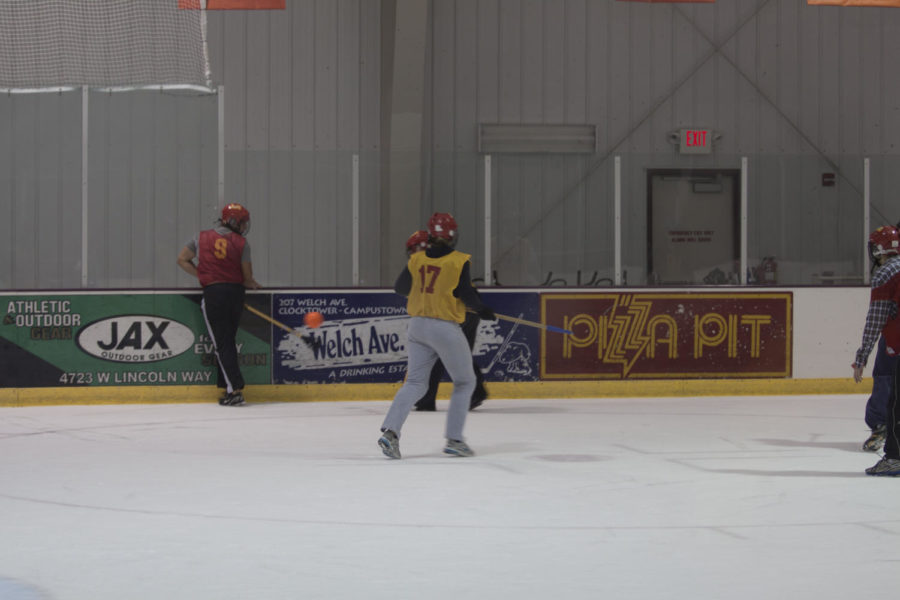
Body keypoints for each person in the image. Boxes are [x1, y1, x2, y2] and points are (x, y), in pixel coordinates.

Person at [378, 213, 495, 459]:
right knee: (465, 382)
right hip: (444, 328)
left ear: (430, 235)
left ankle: (390, 432)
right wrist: (482, 310)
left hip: (418, 327)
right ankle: (454, 439)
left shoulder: (417, 259)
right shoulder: (459, 261)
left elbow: (400, 288)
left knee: (415, 383)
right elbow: (467, 294)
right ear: (452, 236)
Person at [177, 203, 261, 407]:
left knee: (222, 343)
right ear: (233, 222)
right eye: (242, 223)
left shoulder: (200, 237)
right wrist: (253, 284)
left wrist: (203, 275)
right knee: (227, 341)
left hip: (214, 294)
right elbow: (247, 277)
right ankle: (229, 386)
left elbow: (182, 259)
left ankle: (235, 390)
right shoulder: (242, 243)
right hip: (235, 294)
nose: (244, 227)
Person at [403, 230, 489, 413]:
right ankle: (473, 392)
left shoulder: (432, 260)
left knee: (449, 353)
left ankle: (470, 393)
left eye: (413, 250)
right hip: (455, 311)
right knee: (452, 353)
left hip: (463, 311)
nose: (411, 255)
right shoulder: (430, 260)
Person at [853, 225, 900, 475]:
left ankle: (893, 454)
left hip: (897, 345)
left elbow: (875, 320)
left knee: (894, 400)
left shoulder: (885, 274)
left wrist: (861, 356)